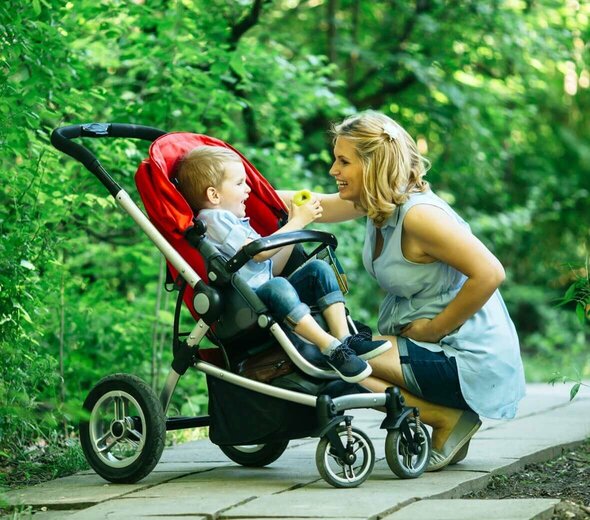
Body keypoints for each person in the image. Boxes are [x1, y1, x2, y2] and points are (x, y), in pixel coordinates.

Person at [279, 111, 525, 471]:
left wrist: (435, 328)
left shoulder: (418, 216)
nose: (333, 170)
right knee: (340, 352)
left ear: (374, 165)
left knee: (336, 356)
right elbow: (309, 203)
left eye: (343, 161)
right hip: (438, 350)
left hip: (467, 358)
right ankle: (446, 421)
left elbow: (490, 273)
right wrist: (237, 188)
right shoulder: (377, 203)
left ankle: (446, 420)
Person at [175, 145, 392, 384]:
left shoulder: (233, 222)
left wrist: (290, 223)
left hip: (266, 292)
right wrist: (297, 223)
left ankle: (345, 339)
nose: (248, 190)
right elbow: (258, 253)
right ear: (214, 195)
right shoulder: (213, 219)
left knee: (318, 269)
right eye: (239, 184)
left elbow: (270, 264)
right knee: (279, 285)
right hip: (245, 305)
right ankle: (330, 347)